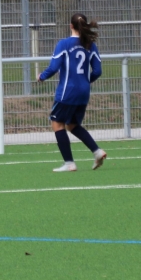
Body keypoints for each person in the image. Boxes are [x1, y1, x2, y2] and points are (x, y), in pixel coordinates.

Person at [37, 13, 108, 173]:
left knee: (57, 123)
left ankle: (69, 163)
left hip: (67, 92)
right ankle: (97, 151)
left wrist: (42, 76)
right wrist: (85, 81)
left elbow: (54, 67)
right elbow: (97, 71)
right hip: (84, 92)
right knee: (72, 125)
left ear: (71, 26)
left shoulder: (64, 44)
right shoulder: (90, 45)